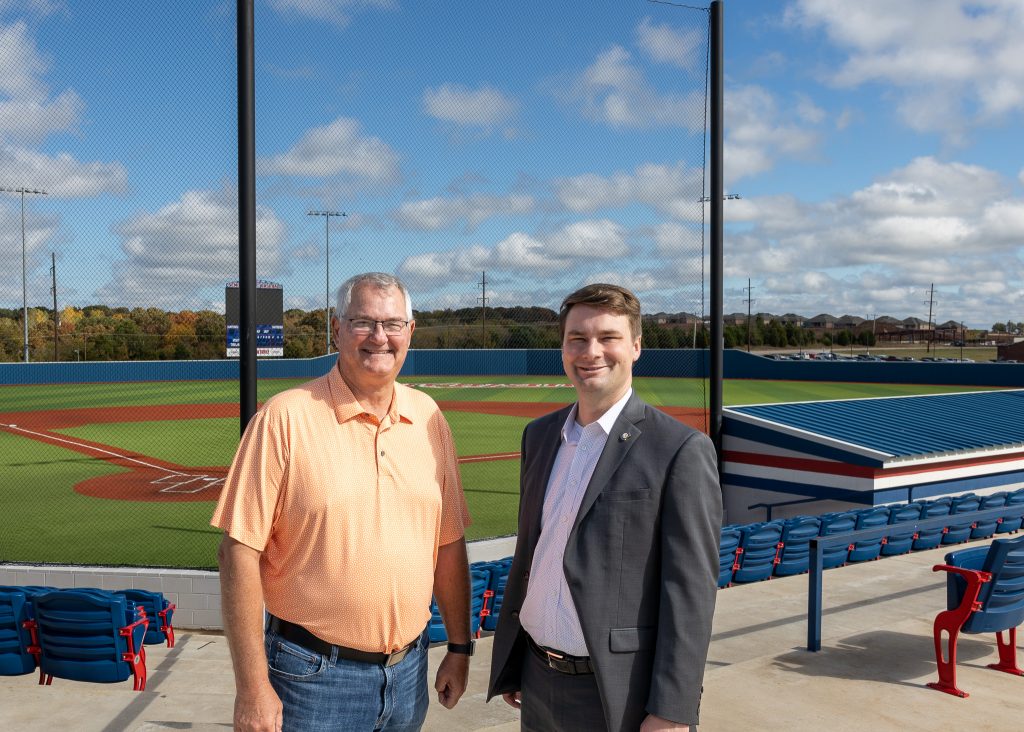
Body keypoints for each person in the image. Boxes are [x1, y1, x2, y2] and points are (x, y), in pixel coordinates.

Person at [212, 272, 473, 732]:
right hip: (310, 677)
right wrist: (252, 687)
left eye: (393, 324)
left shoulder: (430, 417)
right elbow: (237, 553)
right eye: (363, 322)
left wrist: (459, 646)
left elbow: (448, 543)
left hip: (409, 674)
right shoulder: (284, 418)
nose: (379, 337)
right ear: (336, 329)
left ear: (410, 332)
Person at [487, 283, 722, 732]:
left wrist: (672, 710)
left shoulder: (680, 449)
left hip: (617, 694)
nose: (590, 351)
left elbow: (690, 593)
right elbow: (534, 556)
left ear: (635, 347)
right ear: (563, 348)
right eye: (577, 338)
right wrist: (517, 660)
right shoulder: (539, 437)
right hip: (537, 682)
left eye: (607, 338)